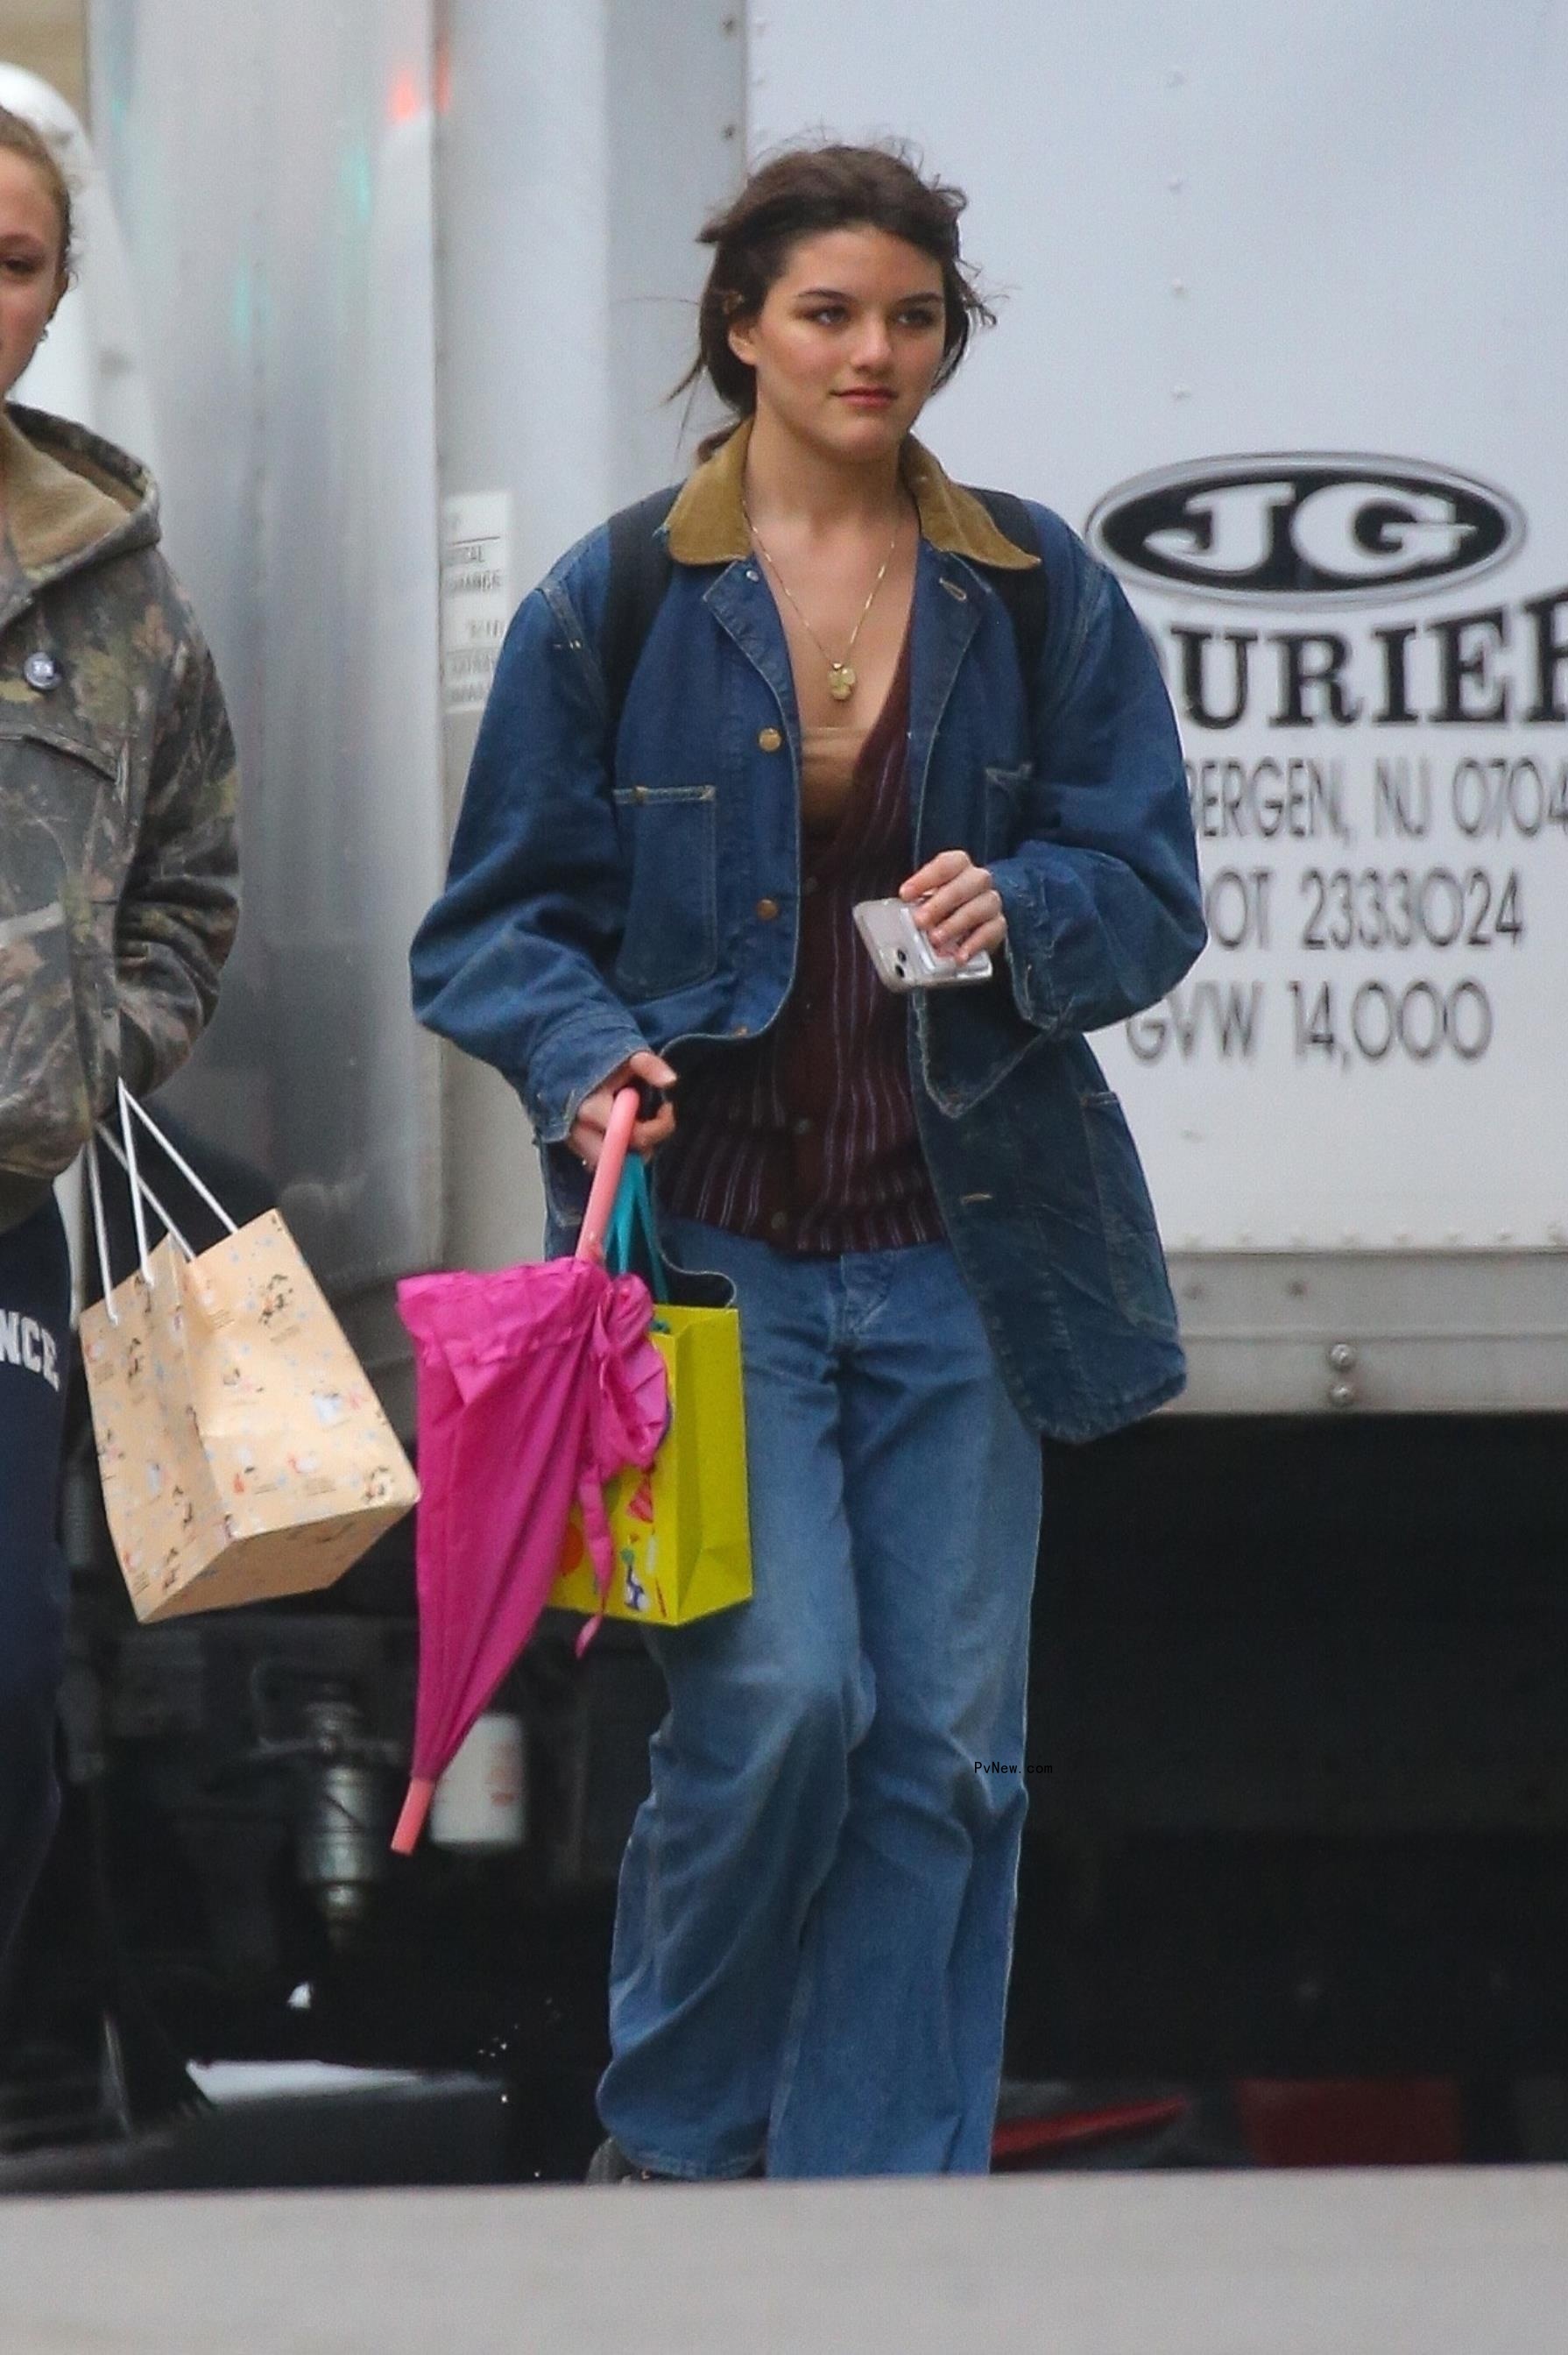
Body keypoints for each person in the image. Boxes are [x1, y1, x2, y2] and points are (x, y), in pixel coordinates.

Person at [411, 140, 1204, 2179]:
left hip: (968, 1247)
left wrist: (1021, 905)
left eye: (914, 314)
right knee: (783, 1719)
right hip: (715, 1266)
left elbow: (1152, 891)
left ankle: (878, 2214)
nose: (875, 351)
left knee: (944, 1756)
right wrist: (593, 1065)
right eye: (831, 312)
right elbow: (491, 928)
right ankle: (674, 2149)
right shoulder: (623, 596)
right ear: (744, 328)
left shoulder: (1032, 590)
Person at [0, 106, 238, 1965]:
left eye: (12, 266)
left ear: (55, 295)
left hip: (3, 1213)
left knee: (10, 1687)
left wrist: (95, 1045)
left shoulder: (114, 588)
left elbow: (188, 873)